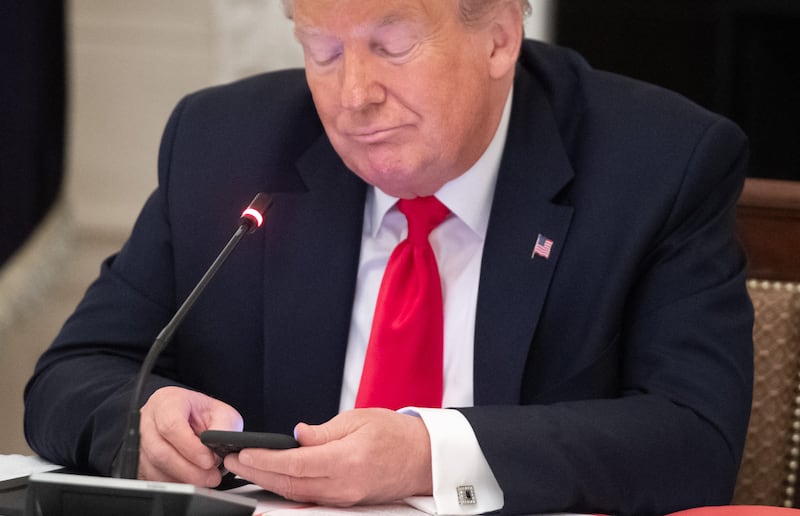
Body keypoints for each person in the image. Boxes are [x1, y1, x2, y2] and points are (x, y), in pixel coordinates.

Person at [24, 0, 754, 514]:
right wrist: (146, 419)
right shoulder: (225, 145)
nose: (353, 96)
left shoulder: (657, 165)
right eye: (323, 52)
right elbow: (72, 375)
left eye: (392, 47)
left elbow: (692, 439)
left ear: (500, 37)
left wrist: (426, 454)